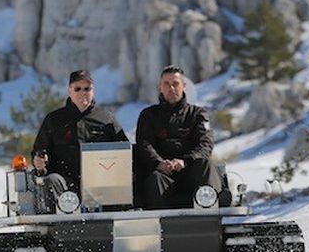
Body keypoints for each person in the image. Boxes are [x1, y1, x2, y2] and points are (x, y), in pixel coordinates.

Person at [32, 69, 128, 212]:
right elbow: (38, 151)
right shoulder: (54, 119)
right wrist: (39, 161)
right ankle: (59, 224)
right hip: (65, 182)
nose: (82, 92)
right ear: (69, 91)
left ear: (93, 90)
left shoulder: (107, 118)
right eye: (77, 88)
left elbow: (123, 150)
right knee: (51, 180)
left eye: (87, 88)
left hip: (101, 181)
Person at [135, 65, 222, 209]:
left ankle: (209, 208)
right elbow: (144, 144)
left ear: (184, 86)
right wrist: (159, 163)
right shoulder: (148, 115)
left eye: (175, 83)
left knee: (205, 165)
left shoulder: (198, 114)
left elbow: (205, 144)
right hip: (162, 173)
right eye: (167, 84)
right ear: (160, 87)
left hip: (190, 171)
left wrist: (185, 161)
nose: (172, 88)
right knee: (154, 180)